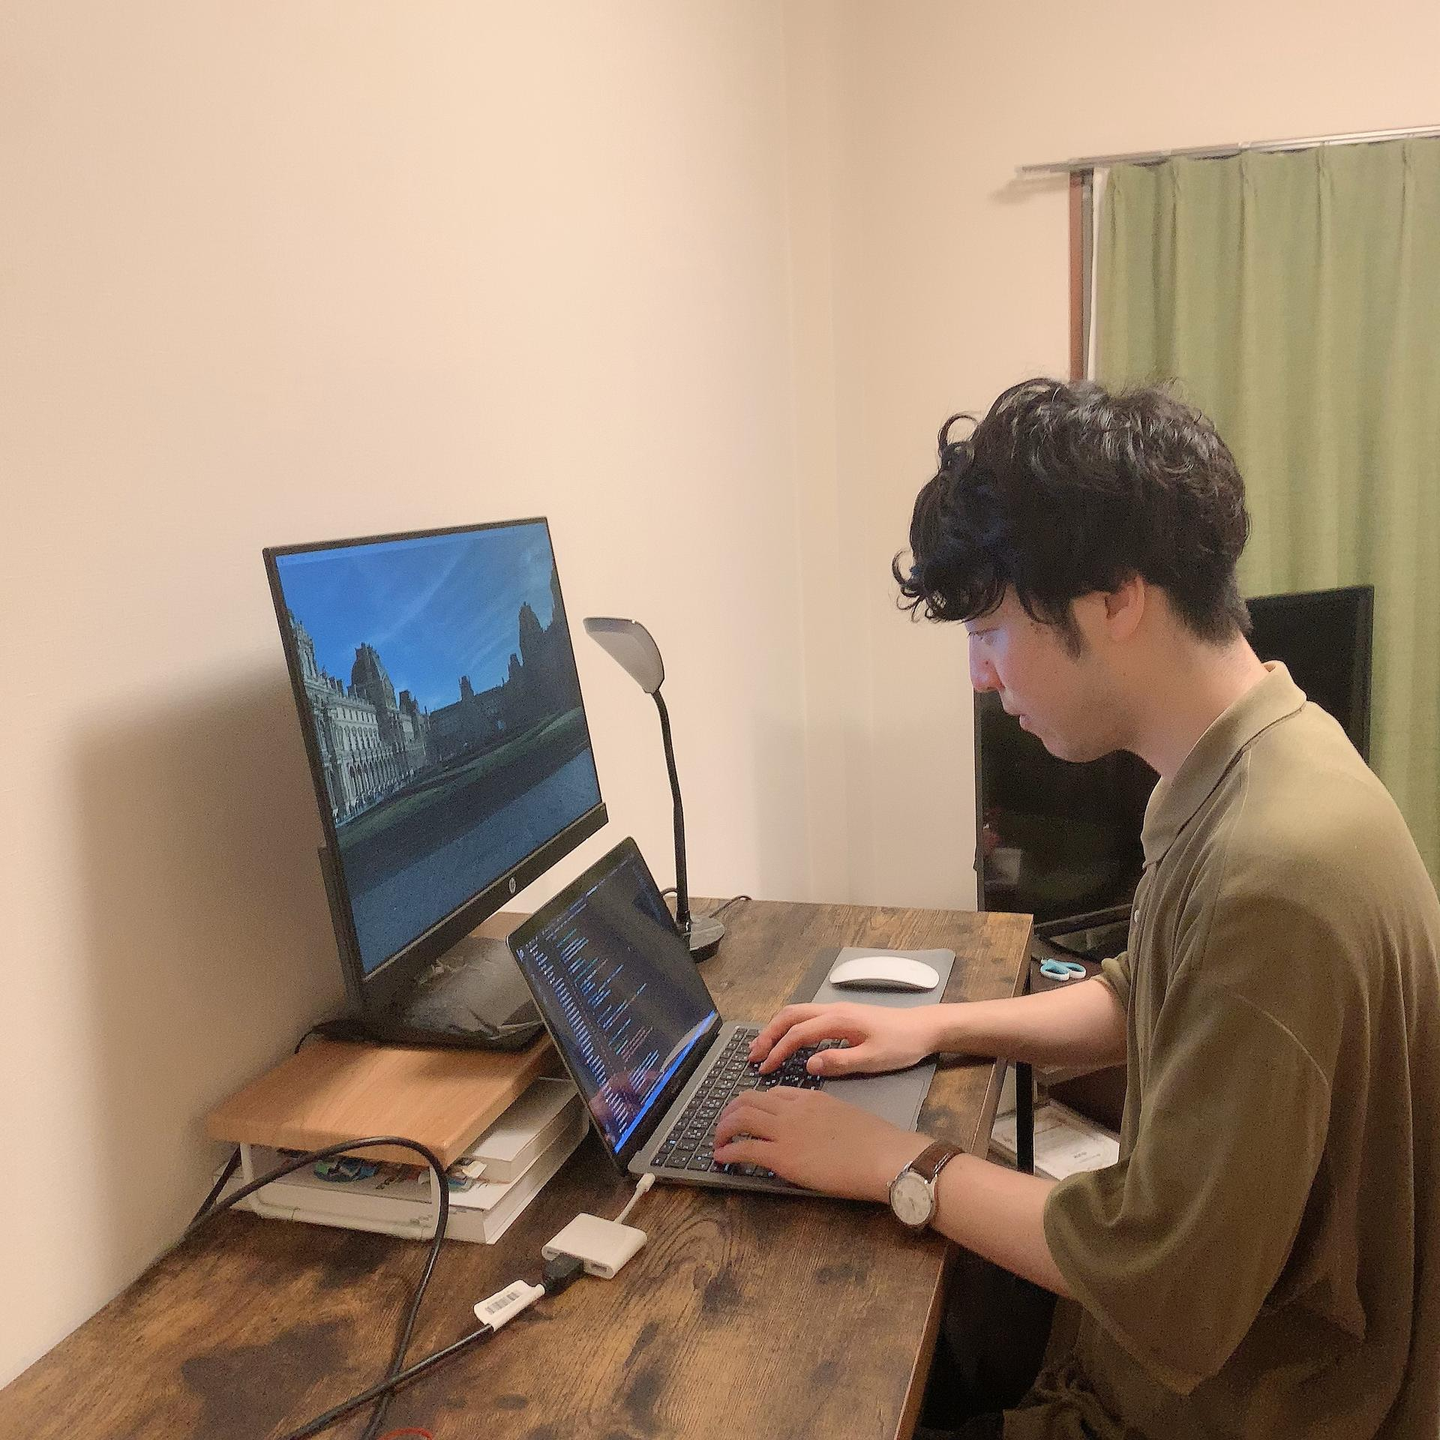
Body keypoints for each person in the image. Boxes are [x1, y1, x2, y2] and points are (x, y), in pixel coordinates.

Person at [713, 378, 1440, 1439]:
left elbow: (1167, 1282)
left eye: (991, 630)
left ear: (1115, 598)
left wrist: (892, 1165)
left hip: (1233, 1405)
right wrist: (936, 1028)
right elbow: (1149, 995)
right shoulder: (1271, 757)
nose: (981, 675)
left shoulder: (1271, 871)